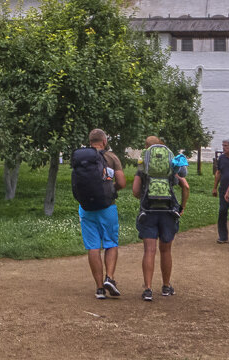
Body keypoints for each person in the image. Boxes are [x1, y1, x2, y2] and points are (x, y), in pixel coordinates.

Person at [132, 135, 190, 301]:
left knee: (149, 250)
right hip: (168, 211)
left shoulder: (143, 166)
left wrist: (145, 196)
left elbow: (135, 191)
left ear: (146, 148)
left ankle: (148, 289)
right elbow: (185, 186)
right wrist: (182, 207)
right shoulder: (171, 166)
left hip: (148, 211)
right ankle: (166, 286)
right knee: (166, 250)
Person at [78, 128, 126, 299]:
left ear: (90, 142)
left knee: (93, 247)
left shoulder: (81, 158)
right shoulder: (111, 157)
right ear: (104, 141)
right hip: (107, 206)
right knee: (111, 242)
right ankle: (110, 278)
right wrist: (111, 190)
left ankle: (99, 288)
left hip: (85, 207)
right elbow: (121, 182)